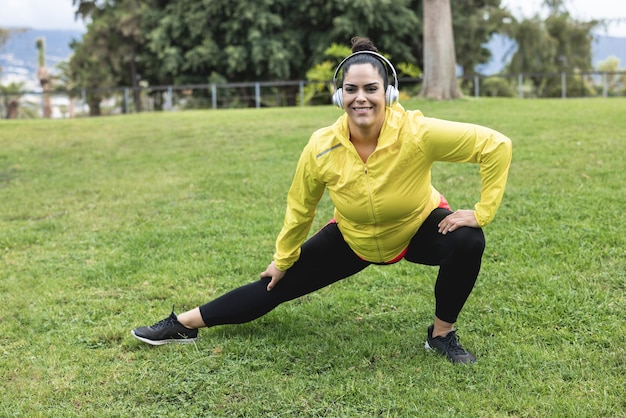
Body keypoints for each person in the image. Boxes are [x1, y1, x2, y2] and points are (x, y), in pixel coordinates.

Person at [131, 37, 512, 364]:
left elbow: (495, 145)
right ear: (339, 95)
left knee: (467, 241)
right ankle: (182, 324)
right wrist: (283, 259)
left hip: (416, 228)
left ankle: (441, 334)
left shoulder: (418, 132)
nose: (360, 98)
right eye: (351, 90)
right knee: (272, 287)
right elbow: (301, 206)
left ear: (389, 93)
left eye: (371, 89)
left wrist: (481, 212)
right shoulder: (321, 146)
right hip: (353, 238)